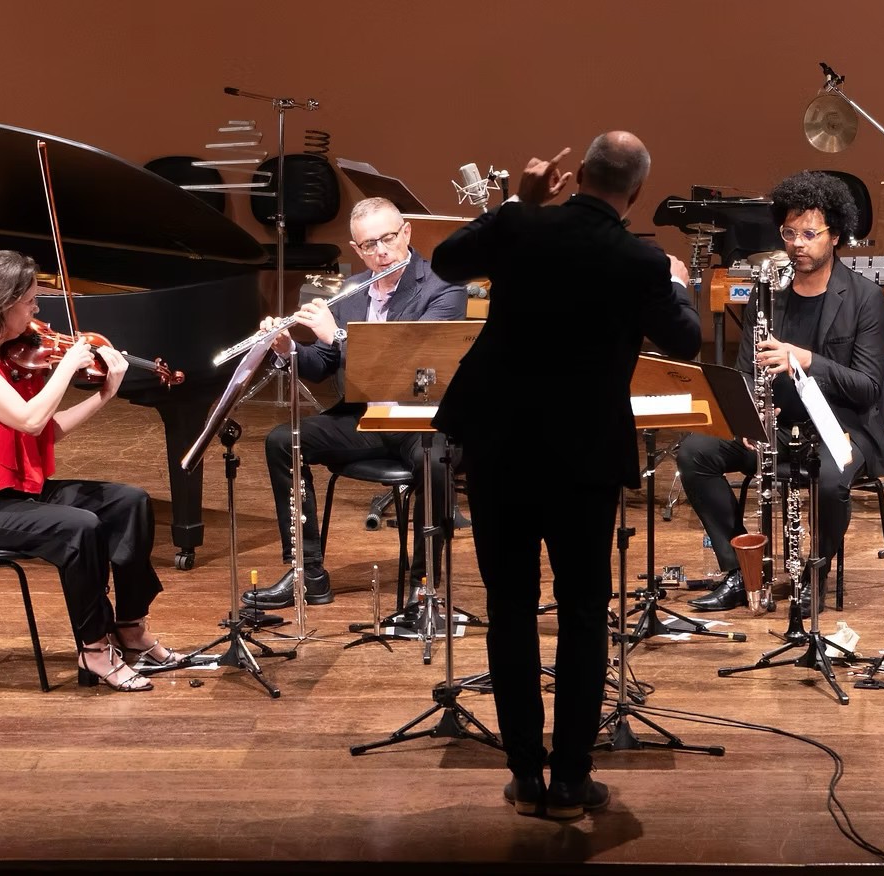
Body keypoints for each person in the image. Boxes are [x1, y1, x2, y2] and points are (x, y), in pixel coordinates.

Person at [432, 131, 700, 820]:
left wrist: (514, 205)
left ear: (577, 174)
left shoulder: (522, 226)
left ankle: (526, 775)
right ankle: (572, 783)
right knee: (584, 613)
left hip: (501, 447)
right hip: (584, 456)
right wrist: (677, 282)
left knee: (509, 608)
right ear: (637, 192)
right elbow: (686, 340)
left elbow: (445, 259)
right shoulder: (640, 259)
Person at [0, 250, 180, 692]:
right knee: (79, 527)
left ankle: (129, 628)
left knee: (129, 502)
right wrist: (66, 369)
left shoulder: (9, 358)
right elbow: (30, 419)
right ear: (3, 302)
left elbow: (46, 432)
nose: (36, 311)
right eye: (30, 301)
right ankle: (94, 647)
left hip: (17, 494)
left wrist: (104, 395)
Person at [676, 171, 884, 613]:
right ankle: (742, 570)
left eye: (810, 234)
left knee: (830, 481)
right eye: (789, 233)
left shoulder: (864, 297)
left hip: (839, 428)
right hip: (776, 427)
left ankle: (814, 574)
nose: (797, 244)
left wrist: (807, 359)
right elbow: (745, 371)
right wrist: (749, 415)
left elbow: (868, 389)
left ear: (835, 235)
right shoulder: (767, 294)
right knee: (695, 452)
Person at [241, 196, 467, 612]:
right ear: (356, 249)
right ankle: (307, 572)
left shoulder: (443, 287)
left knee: (436, 463)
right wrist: (289, 349)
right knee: (283, 441)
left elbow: (413, 364)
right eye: (368, 245)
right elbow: (322, 364)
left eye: (388, 239)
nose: (381, 251)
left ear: (406, 233)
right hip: (366, 417)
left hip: (422, 420)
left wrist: (338, 336)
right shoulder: (350, 291)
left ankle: (424, 585)